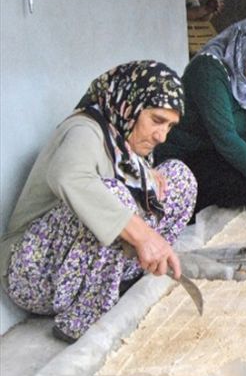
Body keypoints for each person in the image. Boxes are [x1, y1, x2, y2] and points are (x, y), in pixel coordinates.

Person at [0, 61, 197, 342]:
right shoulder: (85, 129)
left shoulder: (123, 136)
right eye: (156, 120)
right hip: (34, 272)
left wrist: (144, 177)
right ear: (129, 105)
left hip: (79, 271)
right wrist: (142, 235)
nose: (161, 135)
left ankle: (124, 283)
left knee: (179, 176)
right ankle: (83, 320)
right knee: (114, 196)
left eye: (169, 126)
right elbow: (67, 176)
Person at [156, 14, 246, 218]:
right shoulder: (207, 70)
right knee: (240, 180)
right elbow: (225, 139)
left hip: (218, 152)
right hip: (192, 157)